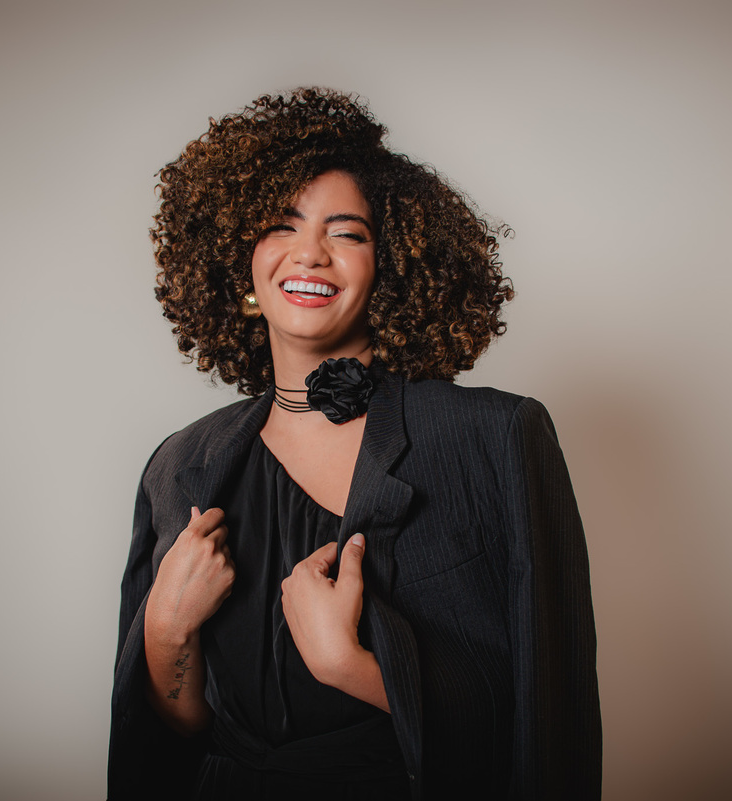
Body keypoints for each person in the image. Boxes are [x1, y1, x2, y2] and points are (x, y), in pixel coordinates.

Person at [108, 88, 600, 800]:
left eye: (348, 233)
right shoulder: (179, 464)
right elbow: (174, 741)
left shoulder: (492, 438)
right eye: (281, 225)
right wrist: (165, 630)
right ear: (241, 262)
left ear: (390, 266)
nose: (310, 252)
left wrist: (351, 666)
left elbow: (546, 717)